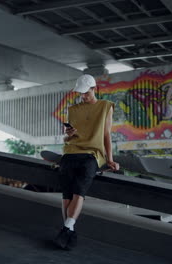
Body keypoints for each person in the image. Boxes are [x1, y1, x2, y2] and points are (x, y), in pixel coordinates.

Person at [53, 74, 120, 250]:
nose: (83, 96)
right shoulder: (73, 109)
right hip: (70, 152)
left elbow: (106, 135)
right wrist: (68, 135)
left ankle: (66, 228)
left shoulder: (105, 106)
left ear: (94, 88)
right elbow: (67, 140)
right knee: (66, 193)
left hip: (92, 155)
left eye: (86, 93)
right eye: (80, 93)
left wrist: (110, 159)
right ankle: (69, 230)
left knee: (79, 190)